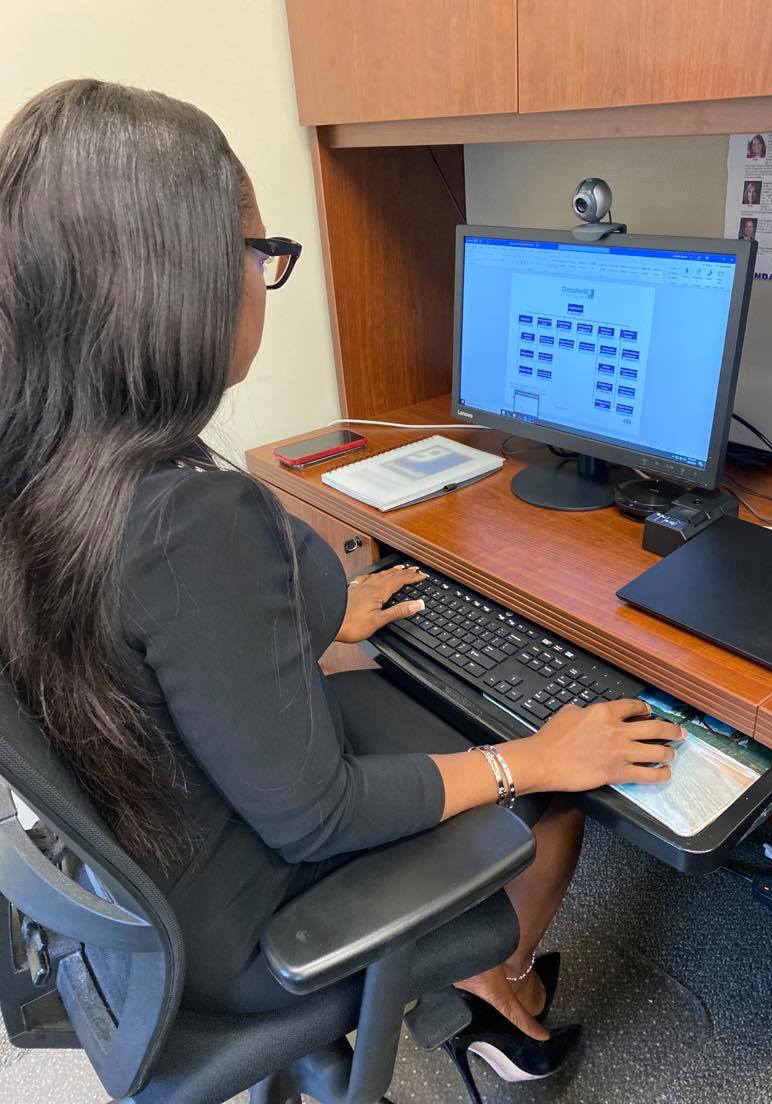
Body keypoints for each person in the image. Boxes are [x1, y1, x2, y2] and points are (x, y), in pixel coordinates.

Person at [0, 80, 684, 1088]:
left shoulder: (54, 458)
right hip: (248, 929)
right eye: (262, 254)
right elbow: (316, 818)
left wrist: (300, 622)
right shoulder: (189, 522)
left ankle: (492, 986)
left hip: (155, 864)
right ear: (174, 279)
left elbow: (148, 647)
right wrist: (527, 760)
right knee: (564, 791)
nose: (266, 278)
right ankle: (501, 995)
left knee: (390, 678)